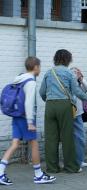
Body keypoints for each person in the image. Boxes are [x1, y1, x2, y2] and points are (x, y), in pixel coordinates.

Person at [0, 57, 56, 185]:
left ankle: (1, 172)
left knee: (15, 144)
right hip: (25, 117)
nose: (40, 69)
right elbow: (28, 103)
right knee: (34, 143)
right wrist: (30, 122)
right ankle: (38, 175)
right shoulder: (30, 82)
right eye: (39, 67)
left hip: (16, 116)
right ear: (35, 67)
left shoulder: (19, 79)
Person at [39, 49, 87, 173]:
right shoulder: (69, 73)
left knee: (51, 137)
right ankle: (71, 167)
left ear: (55, 59)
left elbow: (42, 92)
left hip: (50, 106)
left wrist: (50, 100)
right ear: (68, 60)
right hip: (64, 105)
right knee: (67, 137)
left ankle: (52, 167)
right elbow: (77, 92)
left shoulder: (49, 73)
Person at [71, 67, 87, 168]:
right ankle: (76, 160)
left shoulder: (78, 84)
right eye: (74, 73)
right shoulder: (70, 84)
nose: (76, 74)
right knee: (76, 137)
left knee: (80, 138)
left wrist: (82, 79)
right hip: (72, 113)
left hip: (78, 113)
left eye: (77, 73)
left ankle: (79, 159)